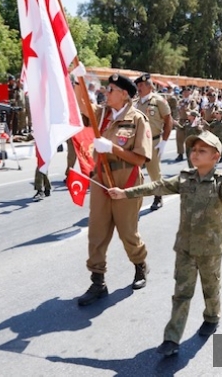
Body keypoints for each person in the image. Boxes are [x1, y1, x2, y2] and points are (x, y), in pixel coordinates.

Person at [107, 131, 222, 357]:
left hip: (210, 250)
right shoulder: (184, 178)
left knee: (210, 288)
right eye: (193, 149)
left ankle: (212, 317)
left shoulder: (221, 182)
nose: (195, 153)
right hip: (185, 247)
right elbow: (156, 187)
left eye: (202, 150)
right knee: (181, 293)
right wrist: (125, 193)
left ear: (215, 156)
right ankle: (172, 339)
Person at [72, 74, 152, 306]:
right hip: (101, 178)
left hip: (126, 179)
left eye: (112, 89)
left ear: (124, 94)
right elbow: (80, 103)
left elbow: (139, 159)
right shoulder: (101, 115)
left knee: (127, 231)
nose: (106, 93)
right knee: (97, 230)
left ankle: (140, 265)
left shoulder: (137, 119)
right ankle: (98, 281)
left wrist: (112, 148)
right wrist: (79, 80)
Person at [134, 73, 173, 211]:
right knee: (134, 172)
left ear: (149, 86)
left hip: (153, 141)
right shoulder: (135, 103)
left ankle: (158, 196)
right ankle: (134, 198)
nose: (138, 88)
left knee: (154, 172)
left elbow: (169, 120)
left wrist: (164, 141)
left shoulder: (158, 101)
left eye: (141, 85)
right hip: (137, 143)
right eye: (137, 85)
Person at [174, 87, 198, 161]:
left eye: (187, 92)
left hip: (189, 121)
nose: (185, 93)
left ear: (189, 92)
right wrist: (177, 119)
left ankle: (192, 153)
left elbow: (194, 111)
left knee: (190, 138)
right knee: (179, 138)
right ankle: (180, 154)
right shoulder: (181, 101)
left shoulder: (192, 101)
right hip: (181, 121)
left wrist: (189, 110)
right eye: (184, 92)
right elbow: (177, 111)